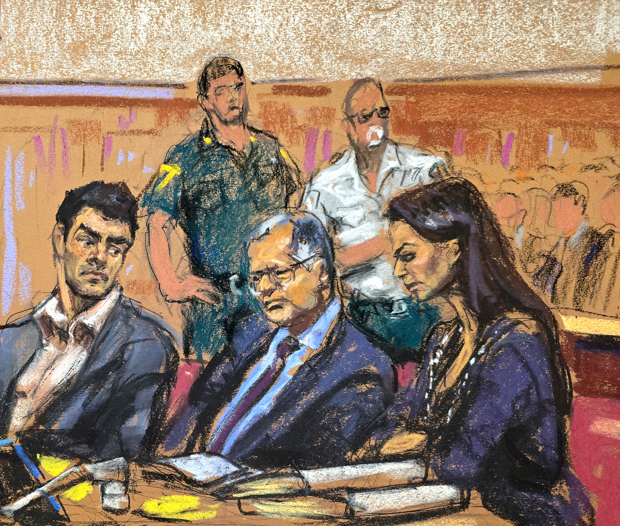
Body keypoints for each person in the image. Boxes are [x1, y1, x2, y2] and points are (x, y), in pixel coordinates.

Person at [363, 177, 596, 526]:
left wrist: (417, 441)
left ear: (454, 249)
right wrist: (411, 441)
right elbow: (386, 431)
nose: (397, 271)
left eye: (407, 255)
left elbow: (460, 463)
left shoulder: (517, 342)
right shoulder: (445, 339)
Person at [0, 181, 178, 461]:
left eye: (115, 248)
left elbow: (121, 462)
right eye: (87, 241)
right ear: (60, 239)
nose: (100, 257)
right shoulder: (5, 342)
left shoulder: (146, 347)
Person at [161, 211, 395, 469]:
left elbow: (315, 461)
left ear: (321, 271)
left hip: (254, 489)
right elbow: (198, 406)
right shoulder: (249, 333)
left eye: (279, 272)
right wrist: (168, 467)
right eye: (257, 278)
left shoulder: (360, 365)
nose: (264, 288)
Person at [141, 56, 302, 362]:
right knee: (209, 386)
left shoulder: (272, 150)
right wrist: (171, 285)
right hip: (214, 307)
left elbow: (299, 207)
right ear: (205, 101)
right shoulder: (183, 157)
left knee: (272, 379)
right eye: (221, 90)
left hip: (269, 296)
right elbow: (157, 222)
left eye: (237, 87)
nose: (232, 97)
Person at [301, 78, 446, 361]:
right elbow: (313, 262)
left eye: (382, 112)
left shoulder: (423, 170)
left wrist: (347, 251)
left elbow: (447, 242)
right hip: (361, 316)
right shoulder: (324, 186)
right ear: (347, 125)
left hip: (423, 310)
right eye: (365, 116)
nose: (376, 121)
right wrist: (380, 244)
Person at [533, 182, 612, 311]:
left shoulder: (595, 243)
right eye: (556, 210)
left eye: (564, 210)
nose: (558, 216)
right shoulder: (560, 243)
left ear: (580, 205)